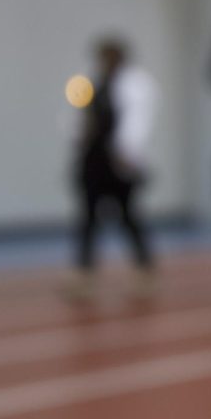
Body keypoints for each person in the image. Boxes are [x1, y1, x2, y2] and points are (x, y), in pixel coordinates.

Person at [64, 37, 158, 301]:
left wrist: (128, 152)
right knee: (88, 219)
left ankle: (145, 271)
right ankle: (84, 274)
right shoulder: (91, 82)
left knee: (129, 217)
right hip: (93, 160)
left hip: (120, 162)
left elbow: (138, 121)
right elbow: (77, 117)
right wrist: (77, 136)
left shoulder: (136, 85)